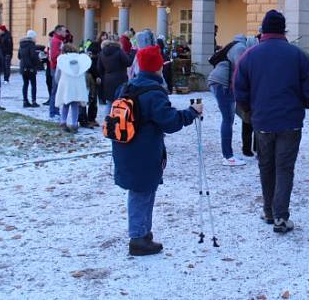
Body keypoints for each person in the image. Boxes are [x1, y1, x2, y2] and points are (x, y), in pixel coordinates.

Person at [234, 10, 309, 234]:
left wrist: (249, 111)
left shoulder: (249, 56)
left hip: (262, 121)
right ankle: (280, 216)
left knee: (266, 166)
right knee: (284, 168)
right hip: (290, 121)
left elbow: (239, 89)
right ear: (283, 30)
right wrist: (306, 103)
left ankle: (269, 211)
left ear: (263, 30)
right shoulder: (298, 55)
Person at [112, 45, 201, 256]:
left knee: (142, 191)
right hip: (144, 151)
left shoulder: (127, 86)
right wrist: (191, 112)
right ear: (158, 67)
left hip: (126, 148)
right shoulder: (153, 92)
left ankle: (142, 232)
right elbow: (170, 122)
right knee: (142, 192)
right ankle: (138, 239)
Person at [207, 34, 258, 166]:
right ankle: (228, 156)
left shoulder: (235, 45)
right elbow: (242, 71)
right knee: (227, 119)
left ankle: (228, 154)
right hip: (222, 84)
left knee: (229, 118)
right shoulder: (240, 48)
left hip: (219, 83)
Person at [54, 44, 91, 133]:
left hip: (66, 84)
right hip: (78, 84)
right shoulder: (81, 59)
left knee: (66, 103)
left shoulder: (62, 59)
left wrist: (58, 82)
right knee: (75, 104)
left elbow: (57, 73)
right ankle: (74, 124)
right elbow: (84, 71)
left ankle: (63, 122)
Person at [98, 38, 133, 119]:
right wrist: (131, 54)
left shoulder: (101, 53)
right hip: (120, 79)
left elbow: (99, 68)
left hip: (107, 80)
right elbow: (128, 63)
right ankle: (118, 121)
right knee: (120, 101)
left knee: (109, 102)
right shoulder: (119, 51)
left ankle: (107, 121)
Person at [48, 25, 66, 119]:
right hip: (56, 68)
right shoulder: (56, 41)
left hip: (57, 68)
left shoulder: (59, 40)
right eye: (64, 31)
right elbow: (54, 56)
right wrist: (64, 55)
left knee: (57, 90)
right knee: (55, 91)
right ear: (58, 31)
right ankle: (53, 112)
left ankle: (55, 111)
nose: (65, 33)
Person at [18, 30, 40, 107]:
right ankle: (34, 101)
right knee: (33, 84)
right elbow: (33, 56)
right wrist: (37, 63)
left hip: (23, 66)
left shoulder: (21, 44)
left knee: (25, 84)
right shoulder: (31, 45)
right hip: (31, 67)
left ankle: (25, 101)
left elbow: (19, 56)